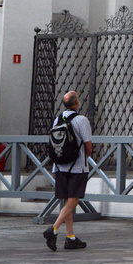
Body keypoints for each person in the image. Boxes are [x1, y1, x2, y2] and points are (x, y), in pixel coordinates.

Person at [42, 91, 92, 251]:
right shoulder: (82, 120)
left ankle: (71, 238)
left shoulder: (58, 119)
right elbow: (88, 147)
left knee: (67, 201)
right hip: (77, 167)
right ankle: (53, 229)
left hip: (60, 165)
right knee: (74, 200)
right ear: (76, 103)